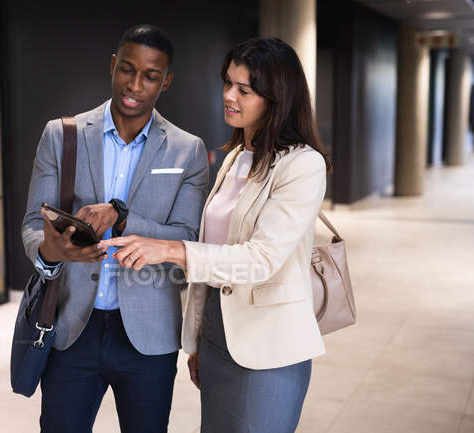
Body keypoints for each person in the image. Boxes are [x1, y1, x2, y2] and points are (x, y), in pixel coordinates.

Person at [101, 37, 332, 432]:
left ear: (276, 97)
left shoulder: (303, 165)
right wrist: (198, 341)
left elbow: (259, 260)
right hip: (218, 338)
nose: (229, 96)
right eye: (227, 83)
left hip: (268, 350)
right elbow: (214, 253)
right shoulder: (235, 158)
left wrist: (170, 250)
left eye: (244, 90)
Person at [21, 24, 209, 433]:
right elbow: (34, 226)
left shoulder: (187, 149)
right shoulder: (62, 135)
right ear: (112, 65)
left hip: (148, 335)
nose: (135, 85)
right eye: (127, 69)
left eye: (150, 76)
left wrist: (122, 219)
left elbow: (188, 240)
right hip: (71, 327)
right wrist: (55, 253)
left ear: (166, 81)